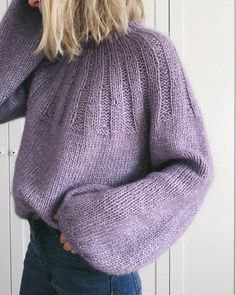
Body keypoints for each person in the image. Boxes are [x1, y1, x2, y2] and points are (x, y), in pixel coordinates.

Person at [0, 0, 214, 294]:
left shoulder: (149, 53)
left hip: (94, 272)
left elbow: (192, 170)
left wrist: (100, 221)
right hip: (39, 252)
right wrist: (27, 14)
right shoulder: (54, 53)